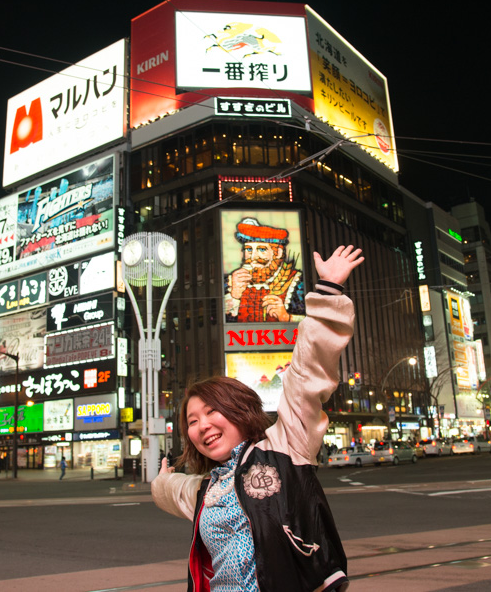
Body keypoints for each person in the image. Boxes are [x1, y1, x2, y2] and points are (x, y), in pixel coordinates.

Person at [152, 245, 363, 592]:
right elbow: (173, 491)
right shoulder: (208, 489)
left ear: (238, 410)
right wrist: (160, 481)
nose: (201, 425)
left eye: (210, 411)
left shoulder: (285, 445)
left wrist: (328, 291)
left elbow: (307, 374)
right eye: (191, 421)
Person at [224, 217, 305, 323]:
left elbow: (314, 322)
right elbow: (218, 322)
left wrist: (287, 317)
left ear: (278, 253)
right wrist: (234, 297)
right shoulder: (231, 282)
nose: (253, 257)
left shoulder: (297, 282)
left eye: (262, 249)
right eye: (248, 249)